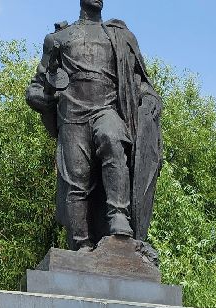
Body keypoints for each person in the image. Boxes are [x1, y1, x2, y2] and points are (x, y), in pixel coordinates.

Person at [25, 0, 162, 251]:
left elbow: (138, 81)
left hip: (106, 109)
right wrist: (37, 96)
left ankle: (118, 215)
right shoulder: (58, 38)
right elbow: (37, 84)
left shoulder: (119, 36)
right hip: (72, 116)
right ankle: (81, 246)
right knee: (77, 181)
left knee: (113, 138)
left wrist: (150, 96)